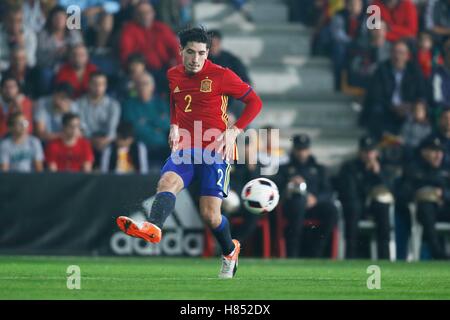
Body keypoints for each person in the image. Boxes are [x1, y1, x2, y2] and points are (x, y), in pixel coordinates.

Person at [116, 27, 262, 279]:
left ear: (208, 54)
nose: (196, 59)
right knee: (166, 182)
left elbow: (255, 102)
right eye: (191, 52)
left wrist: (234, 130)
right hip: (185, 147)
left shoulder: (221, 75)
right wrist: (174, 125)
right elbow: (176, 101)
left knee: (210, 214)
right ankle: (154, 227)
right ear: (181, 51)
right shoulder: (173, 75)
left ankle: (230, 251)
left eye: (202, 53)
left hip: (215, 150)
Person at [276, 134, 338, 258]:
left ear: (309, 150)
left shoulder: (319, 169)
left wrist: (315, 199)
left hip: (314, 206)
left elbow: (328, 191)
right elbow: (276, 191)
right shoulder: (284, 169)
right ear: (293, 149)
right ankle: (292, 254)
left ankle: (317, 252)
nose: (301, 152)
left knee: (332, 210)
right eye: (299, 149)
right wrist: (289, 185)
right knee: (298, 204)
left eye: (304, 149)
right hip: (293, 208)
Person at [337, 136, 394, 259]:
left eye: (371, 151)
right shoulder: (350, 167)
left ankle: (385, 258)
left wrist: (378, 174)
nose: (368, 155)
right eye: (365, 151)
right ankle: (350, 257)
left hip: (375, 206)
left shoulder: (384, 168)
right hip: (357, 205)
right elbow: (350, 192)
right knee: (353, 209)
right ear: (360, 152)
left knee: (383, 209)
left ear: (376, 152)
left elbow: (390, 190)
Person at [362, 40, 427, 138]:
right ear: (390, 54)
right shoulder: (381, 70)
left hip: (409, 108)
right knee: (376, 110)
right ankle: (377, 142)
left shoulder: (414, 70)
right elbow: (376, 95)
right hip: (387, 108)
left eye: (401, 53)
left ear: (407, 55)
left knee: (420, 112)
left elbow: (422, 92)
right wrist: (393, 107)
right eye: (395, 52)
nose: (397, 56)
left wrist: (412, 105)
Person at [398, 136, 450, 259]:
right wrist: (422, 193)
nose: (438, 155)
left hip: (445, 208)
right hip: (423, 213)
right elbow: (402, 194)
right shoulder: (413, 170)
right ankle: (437, 253)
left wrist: (443, 193)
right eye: (434, 151)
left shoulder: (446, 170)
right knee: (426, 206)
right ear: (424, 152)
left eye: (440, 152)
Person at [119, 1, 181, 92]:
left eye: (148, 12)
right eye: (141, 13)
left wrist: (178, 65)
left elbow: (176, 49)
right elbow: (125, 54)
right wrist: (135, 67)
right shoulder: (129, 30)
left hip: (164, 69)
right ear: (135, 15)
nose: (145, 16)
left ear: (153, 13)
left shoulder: (162, 28)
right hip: (142, 72)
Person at [121, 72, 170, 165]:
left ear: (152, 86)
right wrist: (156, 126)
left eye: (145, 84)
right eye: (139, 84)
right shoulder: (128, 105)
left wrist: (145, 121)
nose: (142, 87)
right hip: (140, 145)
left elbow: (167, 124)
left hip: (163, 145)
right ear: (135, 87)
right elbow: (134, 128)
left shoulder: (161, 103)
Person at [75, 71, 121, 165]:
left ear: (105, 86)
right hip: (86, 141)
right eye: (95, 84)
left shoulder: (113, 105)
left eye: (101, 84)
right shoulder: (78, 104)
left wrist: (105, 140)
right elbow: (81, 127)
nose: (98, 87)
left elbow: (112, 129)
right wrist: (91, 140)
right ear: (88, 85)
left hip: (107, 142)